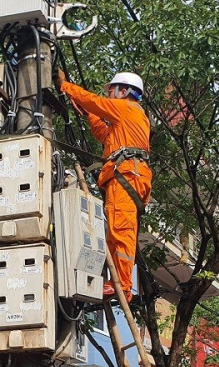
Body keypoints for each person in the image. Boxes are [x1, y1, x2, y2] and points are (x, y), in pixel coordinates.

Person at [54, 69, 152, 302]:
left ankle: (124, 285)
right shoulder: (125, 121)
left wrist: (66, 86)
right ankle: (117, 282)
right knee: (115, 231)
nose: (109, 95)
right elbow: (103, 134)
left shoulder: (127, 108)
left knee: (121, 231)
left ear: (124, 91)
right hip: (126, 175)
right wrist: (87, 111)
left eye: (112, 91)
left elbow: (95, 102)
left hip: (128, 175)